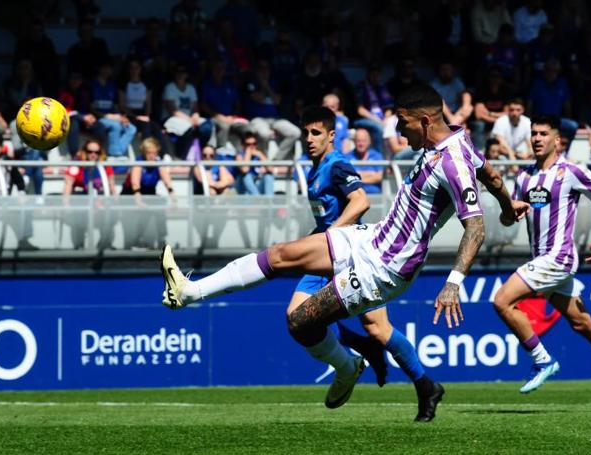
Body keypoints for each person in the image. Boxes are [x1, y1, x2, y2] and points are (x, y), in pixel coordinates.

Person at [160, 83, 529, 413]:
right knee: (280, 254)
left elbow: (475, 227)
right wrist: (509, 205)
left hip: (384, 268)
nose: (399, 133)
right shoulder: (456, 142)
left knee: (299, 322)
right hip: (370, 238)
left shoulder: (452, 161)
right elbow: (492, 175)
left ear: (425, 121)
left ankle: (347, 366)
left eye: (403, 124)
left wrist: (453, 282)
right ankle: (190, 291)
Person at [289, 105, 443, 422]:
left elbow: (361, 201)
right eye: (306, 133)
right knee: (307, 320)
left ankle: (425, 386)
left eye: (316, 132)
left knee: (375, 327)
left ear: (333, 135)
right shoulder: (314, 169)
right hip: (326, 254)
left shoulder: (337, 164)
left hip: (346, 254)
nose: (309, 139)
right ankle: (373, 354)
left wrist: (332, 233)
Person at [493, 115, 591, 410]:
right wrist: (510, 210)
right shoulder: (523, 177)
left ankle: (542, 360)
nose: (536, 138)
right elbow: (508, 219)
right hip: (543, 260)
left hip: (558, 258)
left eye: (543, 134)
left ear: (557, 141)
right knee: (581, 322)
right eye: (533, 133)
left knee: (502, 300)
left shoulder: (570, 171)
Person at [120, 138, 175, 249]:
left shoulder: (158, 164)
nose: (152, 156)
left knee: (160, 204)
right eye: (149, 153)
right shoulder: (139, 163)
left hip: (149, 194)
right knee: (142, 211)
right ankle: (138, 239)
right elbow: (135, 184)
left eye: (154, 153)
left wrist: (174, 199)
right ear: (144, 153)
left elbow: (167, 182)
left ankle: (161, 238)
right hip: (132, 195)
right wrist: (139, 201)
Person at [63, 139, 117, 250]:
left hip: (100, 202)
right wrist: (66, 204)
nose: (93, 154)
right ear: (84, 151)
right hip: (81, 202)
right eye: (90, 151)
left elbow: (111, 185)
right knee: (78, 216)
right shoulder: (77, 164)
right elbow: (68, 184)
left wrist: (115, 200)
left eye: (96, 152)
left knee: (111, 215)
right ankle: (79, 245)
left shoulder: (104, 165)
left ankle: (104, 243)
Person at [343, 128, 384, 194]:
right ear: (354, 142)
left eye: (364, 141)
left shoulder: (377, 156)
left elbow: (380, 176)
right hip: (356, 196)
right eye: (358, 141)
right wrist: (372, 174)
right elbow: (346, 177)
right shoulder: (346, 158)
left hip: (376, 197)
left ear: (369, 142)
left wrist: (356, 177)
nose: (361, 144)